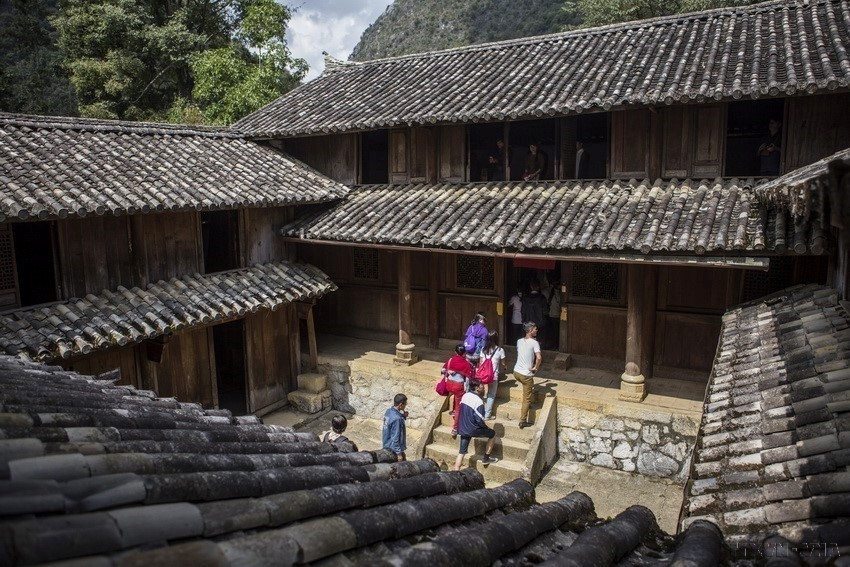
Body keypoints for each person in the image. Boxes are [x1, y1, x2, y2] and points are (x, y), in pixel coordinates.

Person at [454, 380, 500, 470]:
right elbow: (479, 419)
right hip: (473, 428)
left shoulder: (465, 395)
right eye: (481, 385)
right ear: (477, 388)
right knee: (493, 434)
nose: (483, 387)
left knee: (461, 452)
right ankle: (486, 458)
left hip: (463, 427)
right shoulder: (479, 401)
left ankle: (456, 471)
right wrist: (485, 428)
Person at [513, 321, 541, 429]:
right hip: (526, 374)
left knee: (528, 391)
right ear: (530, 331)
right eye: (535, 329)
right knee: (526, 399)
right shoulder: (534, 343)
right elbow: (538, 357)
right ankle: (523, 420)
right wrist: (535, 368)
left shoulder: (519, 341)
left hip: (516, 372)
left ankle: (529, 402)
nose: (536, 330)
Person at [443, 344, 474, 438]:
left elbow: (443, 370)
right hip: (458, 386)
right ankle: (455, 428)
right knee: (458, 408)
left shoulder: (451, 360)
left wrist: (449, 371)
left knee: (454, 396)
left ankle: (452, 411)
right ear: (464, 353)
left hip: (449, 384)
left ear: (455, 352)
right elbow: (470, 377)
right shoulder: (466, 364)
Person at [480, 331, 506, 420]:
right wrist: (505, 366)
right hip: (493, 376)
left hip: (482, 375)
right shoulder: (500, 350)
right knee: (491, 394)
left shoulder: (483, 349)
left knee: (480, 393)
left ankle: (479, 412)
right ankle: (487, 415)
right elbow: (503, 363)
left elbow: (480, 363)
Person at [521, 281, 549, 347]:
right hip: (540, 323)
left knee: (529, 340)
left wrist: (523, 321)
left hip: (528, 323)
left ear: (531, 287)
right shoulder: (542, 298)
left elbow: (523, 311)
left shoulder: (525, 298)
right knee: (540, 340)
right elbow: (546, 311)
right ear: (538, 287)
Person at [382, 393, 408, 461]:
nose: (405, 406)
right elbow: (395, 437)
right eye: (405, 404)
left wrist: (403, 416)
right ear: (400, 405)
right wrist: (399, 454)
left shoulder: (388, 411)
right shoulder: (397, 419)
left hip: (386, 444)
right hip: (393, 450)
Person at [547, 276, 561, 349]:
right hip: (556, 314)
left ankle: (554, 345)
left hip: (551, 314)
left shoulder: (548, 291)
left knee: (553, 331)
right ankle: (555, 345)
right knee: (556, 331)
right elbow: (559, 302)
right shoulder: (557, 292)